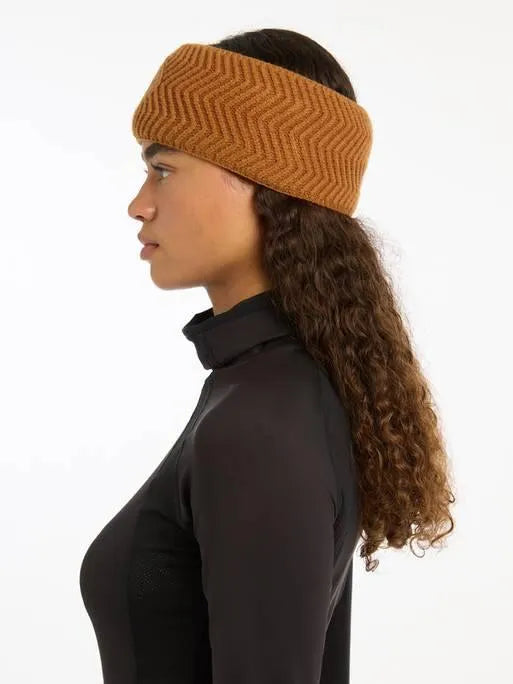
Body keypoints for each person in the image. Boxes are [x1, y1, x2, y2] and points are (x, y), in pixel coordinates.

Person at [79, 28, 456, 684]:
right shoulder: (268, 390)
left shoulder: (259, 421)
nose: (139, 205)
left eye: (163, 169)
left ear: (263, 184)